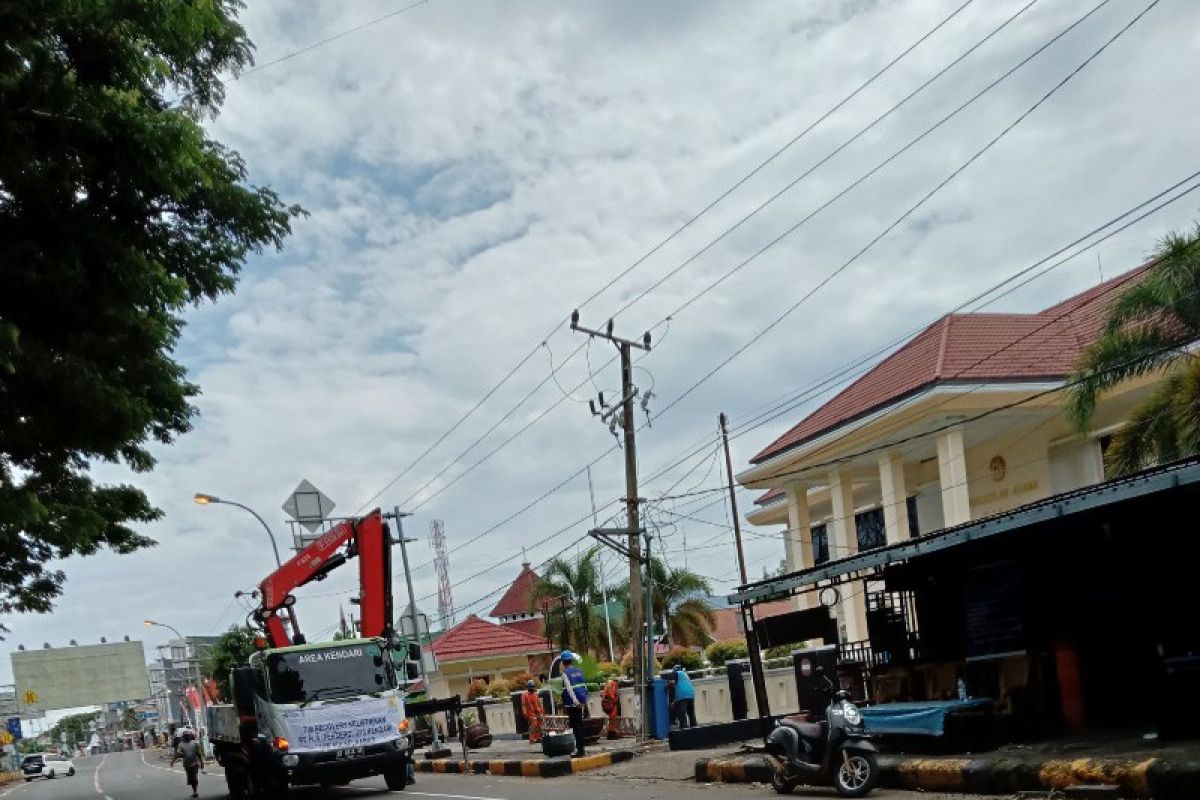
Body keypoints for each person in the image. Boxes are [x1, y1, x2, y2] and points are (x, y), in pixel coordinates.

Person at [559, 651, 588, 757]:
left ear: (563, 662)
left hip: (572, 704)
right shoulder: (579, 671)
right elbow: (585, 687)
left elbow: (569, 689)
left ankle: (580, 750)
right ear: (571, 660)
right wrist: (583, 702)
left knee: (576, 727)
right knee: (580, 725)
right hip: (581, 701)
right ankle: (582, 749)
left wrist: (575, 702)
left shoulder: (565, 674)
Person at [170, 730, 204, 799]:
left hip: (194, 763)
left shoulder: (195, 743)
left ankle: (195, 792)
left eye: (188, 735)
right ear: (183, 737)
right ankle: (194, 790)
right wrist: (173, 761)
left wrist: (202, 762)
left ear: (190, 736)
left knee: (194, 778)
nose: (187, 737)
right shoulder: (181, 745)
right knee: (191, 779)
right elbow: (178, 754)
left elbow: (199, 754)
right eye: (186, 736)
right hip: (186, 764)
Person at [673, 664, 697, 729]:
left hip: (683, 696)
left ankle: (684, 730)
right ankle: (694, 728)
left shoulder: (677, 673)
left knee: (682, 715)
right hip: (691, 695)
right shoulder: (685, 674)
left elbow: (668, 677)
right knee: (691, 714)